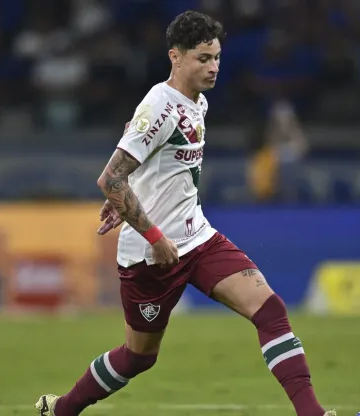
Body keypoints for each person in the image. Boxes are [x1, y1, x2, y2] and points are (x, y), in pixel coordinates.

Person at [35, 11, 334, 416]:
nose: (213, 68)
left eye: (216, 58)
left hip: (198, 237)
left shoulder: (197, 102)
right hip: (151, 254)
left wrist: (131, 188)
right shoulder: (159, 106)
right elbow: (110, 179)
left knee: (269, 309)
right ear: (175, 57)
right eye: (202, 58)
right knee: (139, 357)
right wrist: (154, 236)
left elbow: (144, 161)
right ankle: (63, 410)